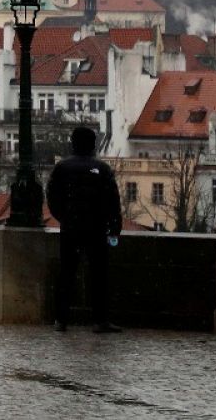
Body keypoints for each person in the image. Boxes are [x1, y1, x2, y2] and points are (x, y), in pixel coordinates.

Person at [46, 126, 123, 334]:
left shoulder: (62, 168)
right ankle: (100, 320)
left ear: (73, 143)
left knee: (66, 274)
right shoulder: (102, 169)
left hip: (70, 228)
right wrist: (114, 226)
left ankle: (61, 319)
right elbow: (113, 201)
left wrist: (64, 217)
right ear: (93, 144)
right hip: (96, 228)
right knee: (99, 275)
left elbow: (52, 198)